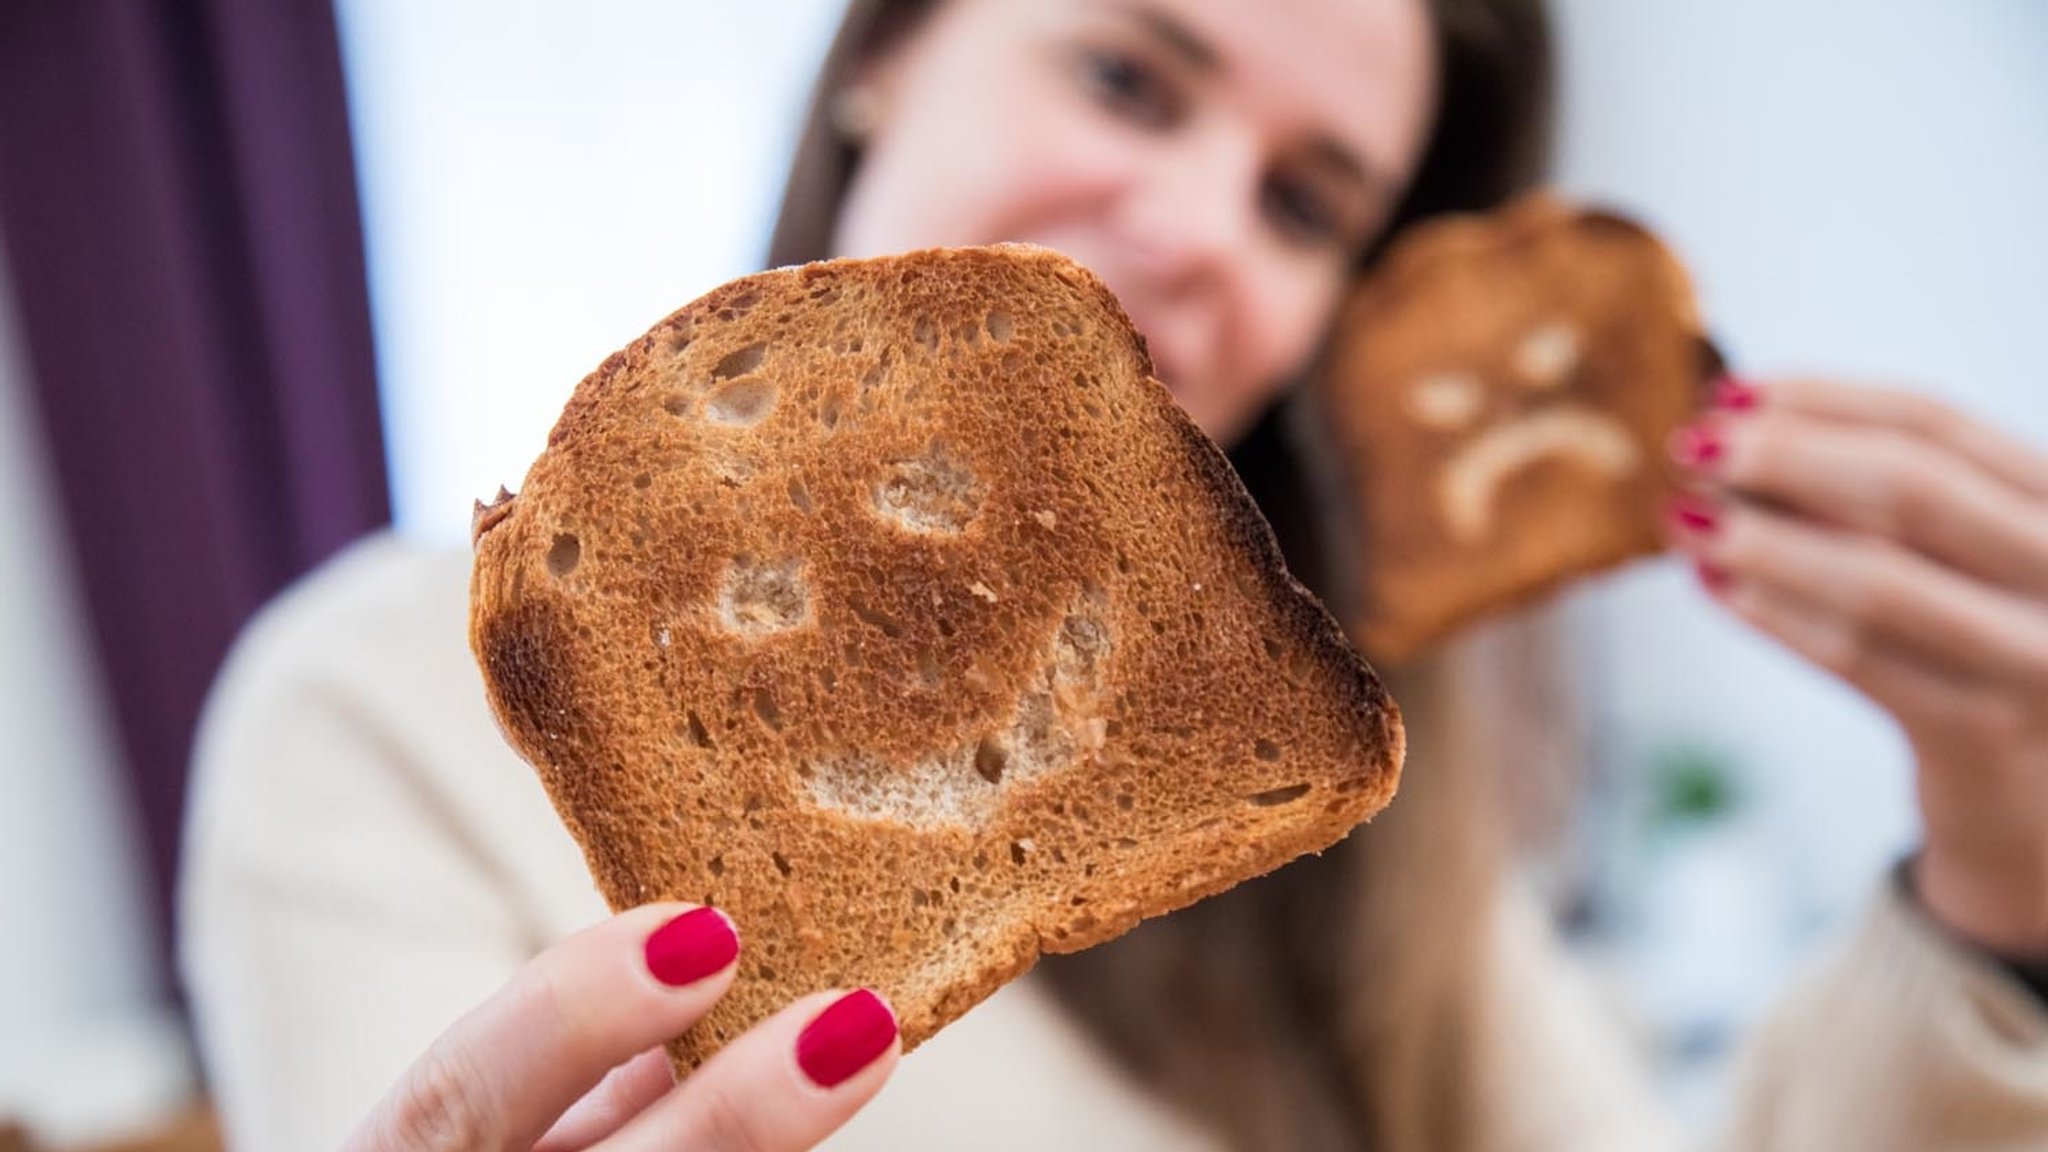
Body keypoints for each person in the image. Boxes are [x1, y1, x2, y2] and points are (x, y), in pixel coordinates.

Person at [179, 0, 2048, 1149]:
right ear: (889, 45)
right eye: (1130, 75)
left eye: (1309, 203)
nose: (1196, 232)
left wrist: (2001, 874)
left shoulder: (1331, 813)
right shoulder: (368, 707)